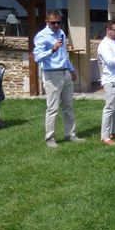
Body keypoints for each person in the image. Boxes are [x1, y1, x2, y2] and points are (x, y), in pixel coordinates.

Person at [33, 11, 84, 148]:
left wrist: (71, 70)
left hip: (65, 73)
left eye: (58, 22)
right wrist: (52, 50)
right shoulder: (41, 36)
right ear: (46, 21)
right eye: (53, 22)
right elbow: (37, 57)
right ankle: (50, 138)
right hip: (51, 75)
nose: (56, 25)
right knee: (53, 108)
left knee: (68, 106)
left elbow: (64, 55)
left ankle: (70, 134)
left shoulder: (61, 33)